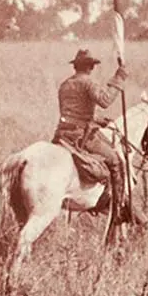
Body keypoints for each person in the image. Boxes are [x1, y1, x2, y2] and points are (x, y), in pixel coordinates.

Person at [53, 49, 136, 222]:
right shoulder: (88, 83)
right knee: (116, 161)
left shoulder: (65, 85)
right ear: (91, 66)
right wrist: (119, 78)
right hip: (81, 135)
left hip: (62, 133)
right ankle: (117, 208)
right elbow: (105, 101)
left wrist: (96, 119)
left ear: (75, 66)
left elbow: (72, 112)